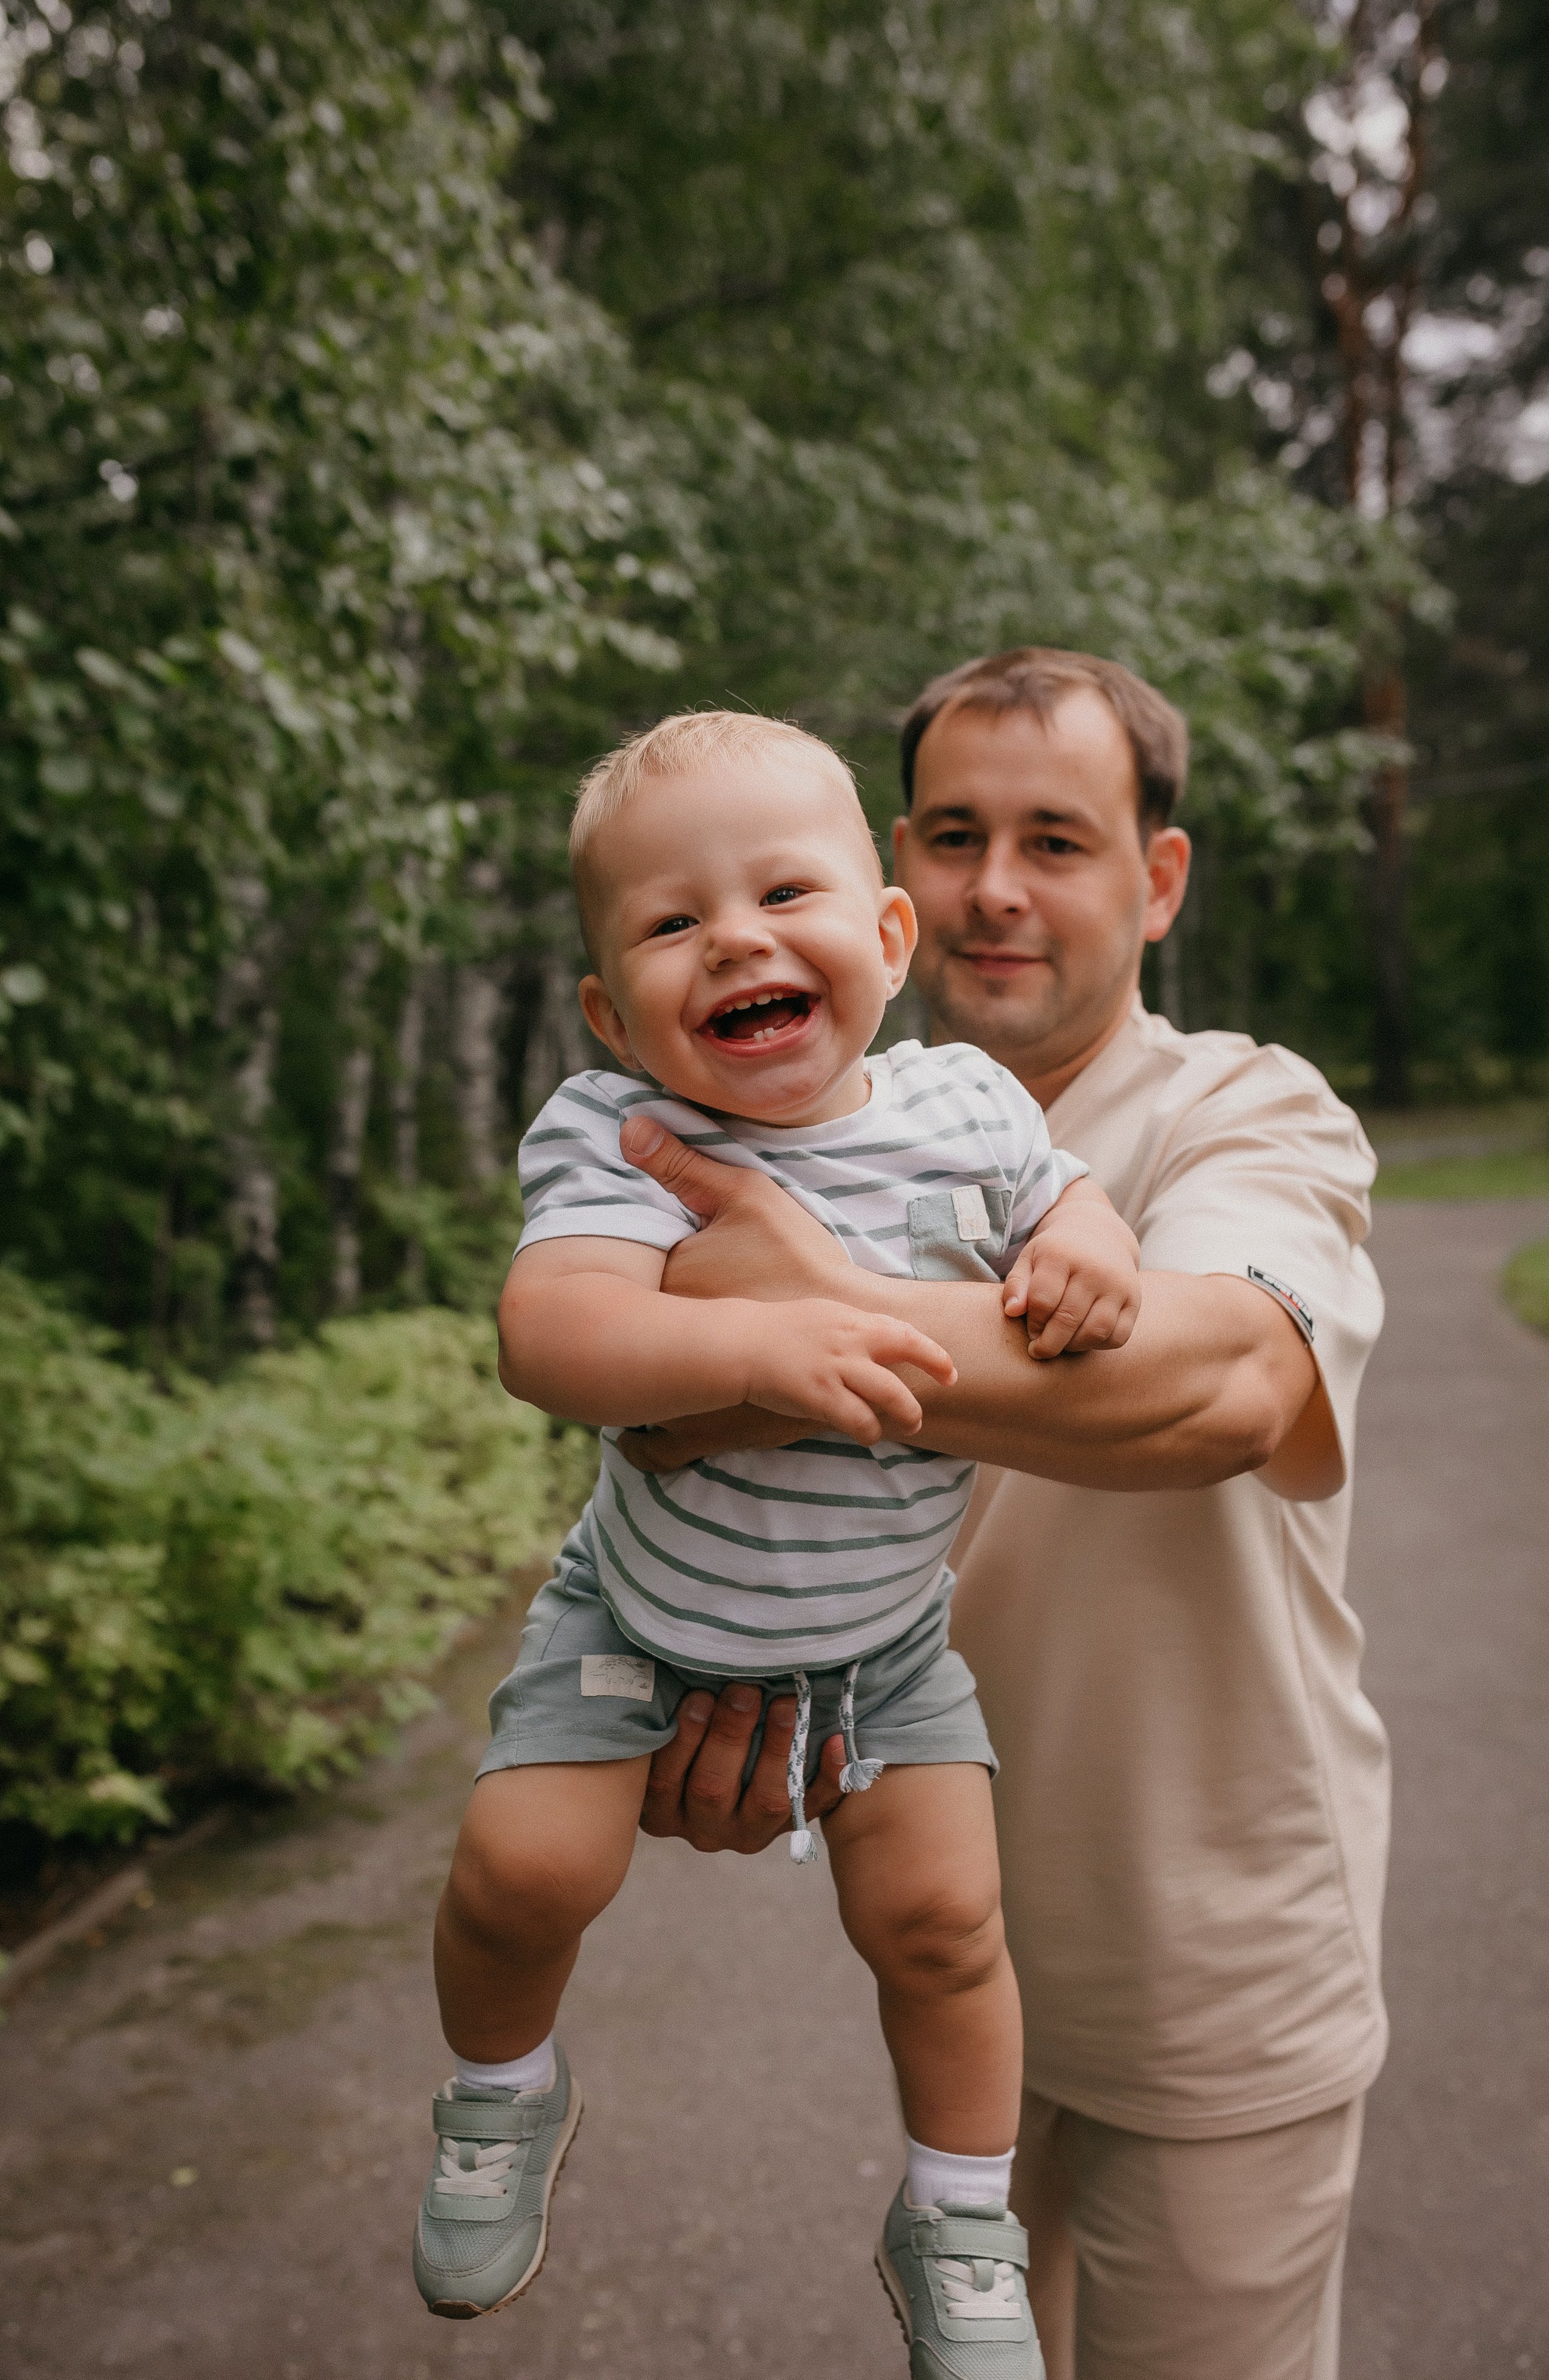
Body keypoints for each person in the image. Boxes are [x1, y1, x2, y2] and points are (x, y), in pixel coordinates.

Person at [619, 649, 1387, 2380]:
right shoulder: (819, 1124)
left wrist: (788, 1317)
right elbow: (666, 1439)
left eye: (1059, 838)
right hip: (957, 1966)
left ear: (1157, 878)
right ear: (895, 881)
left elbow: (1220, 1391)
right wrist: (739, 1703)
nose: (998, 891)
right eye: (956, 837)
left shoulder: (1239, 1109)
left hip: (1214, 1969)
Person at [415, 707, 1144, 2379]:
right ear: (611, 1009)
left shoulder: (966, 1101)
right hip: (642, 1621)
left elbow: (1063, 1196)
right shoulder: (625, 1137)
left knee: (950, 1921)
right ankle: (500, 2093)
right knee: (526, 1871)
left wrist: (1091, 1243)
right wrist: (757, 1348)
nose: (733, 936)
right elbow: (551, 1334)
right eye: (671, 924)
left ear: (888, 937)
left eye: (783, 893)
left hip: (882, 1641)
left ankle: (961, 2218)